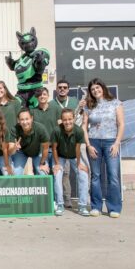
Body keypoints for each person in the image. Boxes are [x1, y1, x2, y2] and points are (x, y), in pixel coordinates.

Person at [82, 78, 124, 218]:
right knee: (95, 176)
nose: (95, 91)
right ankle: (96, 207)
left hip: (111, 143)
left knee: (113, 176)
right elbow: (84, 127)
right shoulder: (88, 106)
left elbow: (121, 124)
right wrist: (88, 145)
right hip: (94, 143)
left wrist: (117, 143)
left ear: (103, 88)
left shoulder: (115, 103)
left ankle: (114, 208)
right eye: (93, 89)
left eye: (97, 88)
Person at [50, 78, 86, 208]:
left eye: (65, 87)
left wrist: (81, 108)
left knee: (81, 171)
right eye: (60, 87)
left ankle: (82, 201)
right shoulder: (52, 104)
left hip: (75, 141)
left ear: (68, 89)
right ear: (56, 89)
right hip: (60, 143)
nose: (62, 89)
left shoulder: (75, 101)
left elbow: (81, 117)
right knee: (63, 173)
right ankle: (66, 199)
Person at [52, 108, 90, 217]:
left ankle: (82, 206)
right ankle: (60, 204)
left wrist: (79, 164)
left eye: (69, 119)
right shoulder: (56, 130)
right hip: (60, 156)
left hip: (74, 156)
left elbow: (78, 149)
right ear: (61, 120)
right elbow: (54, 148)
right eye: (65, 120)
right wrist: (57, 164)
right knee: (57, 174)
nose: (67, 122)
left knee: (83, 175)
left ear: (73, 119)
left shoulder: (78, 131)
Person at [11, 108, 50, 176]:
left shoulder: (40, 128)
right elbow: (10, 150)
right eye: (22, 119)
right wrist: (14, 148)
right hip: (21, 152)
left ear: (31, 118)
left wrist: (42, 163)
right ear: (18, 120)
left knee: (43, 173)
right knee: (16, 173)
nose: (25, 122)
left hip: (38, 152)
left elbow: (46, 148)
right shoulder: (14, 129)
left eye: (27, 119)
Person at [31, 87, 62, 167]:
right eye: (39, 95)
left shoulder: (57, 109)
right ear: (36, 97)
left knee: (57, 172)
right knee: (42, 173)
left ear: (48, 96)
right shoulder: (32, 112)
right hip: (40, 149)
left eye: (44, 94)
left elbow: (61, 127)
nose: (42, 96)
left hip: (55, 148)